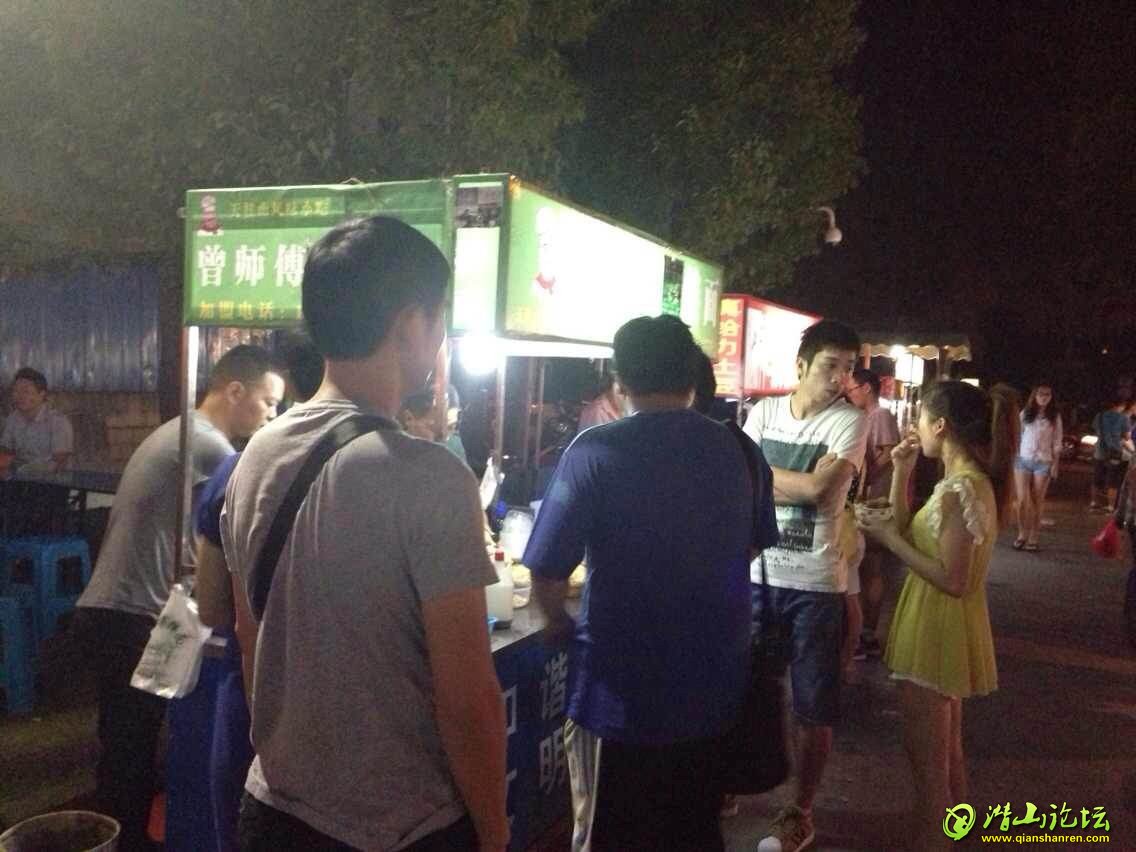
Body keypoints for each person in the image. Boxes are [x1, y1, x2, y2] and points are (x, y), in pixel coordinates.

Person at [220, 216, 508, 852]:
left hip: (273, 812)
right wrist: (494, 834)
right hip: (400, 827)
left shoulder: (256, 456)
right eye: (439, 319)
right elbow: (468, 699)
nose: (440, 338)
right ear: (410, 324)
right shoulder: (430, 476)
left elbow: (249, 635)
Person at [523, 314, 778, 852]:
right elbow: (751, 547)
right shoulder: (741, 452)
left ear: (620, 379)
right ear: (691, 375)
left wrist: (558, 623)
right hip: (715, 694)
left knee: (610, 836)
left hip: (618, 699)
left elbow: (547, 572)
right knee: (694, 832)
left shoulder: (594, 451)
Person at [73, 344, 284, 852]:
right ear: (235, 391)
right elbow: (238, 532)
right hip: (131, 612)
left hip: (116, 607)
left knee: (126, 748)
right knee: (131, 751)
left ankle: (119, 838)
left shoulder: (182, 430)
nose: (273, 416)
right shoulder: (210, 448)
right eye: (268, 402)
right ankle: (120, 842)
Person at [179, 335, 325, 852]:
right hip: (341, 719)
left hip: (251, 701)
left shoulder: (238, 469)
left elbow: (213, 607)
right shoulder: (395, 470)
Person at [858, 382, 1017, 852]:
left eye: (922, 420)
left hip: (934, 628)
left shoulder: (959, 490)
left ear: (941, 425)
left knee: (929, 771)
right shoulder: (965, 483)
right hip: (943, 625)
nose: (917, 429)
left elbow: (953, 579)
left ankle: (934, 842)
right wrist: (901, 472)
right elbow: (910, 532)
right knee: (947, 759)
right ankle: (954, 839)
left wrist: (888, 540)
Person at [742, 319, 867, 852]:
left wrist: (768, 478)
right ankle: (733, 781)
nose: (840, 377)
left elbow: (821, 492)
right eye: (830, 365)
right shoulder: (763, 413)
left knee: (813, 705)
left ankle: (801, 810)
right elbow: (741, 480)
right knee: (746, 687)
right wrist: (798, 481)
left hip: (816, 583)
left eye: (848, 368)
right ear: (801, 366)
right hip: (756, 574)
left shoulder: (851, 422)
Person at [845, 367, 901, 659]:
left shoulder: (880, 415)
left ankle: (867, 634)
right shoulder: (867, 416)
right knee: (866, 567)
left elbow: (889, 452)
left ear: (867, 388)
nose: (849, 394)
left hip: (875, 502)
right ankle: (862, 633)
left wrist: (865, 478)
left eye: (852, 389)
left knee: (872, 566)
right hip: (869, 501)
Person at [1013, 383, 1063, 551]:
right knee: (1021, 500)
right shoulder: (1025, 413)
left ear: (1051, 397)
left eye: (1047, 394)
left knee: (1037, 500)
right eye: (1041, 394)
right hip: (1023, 459)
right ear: (1034, 396)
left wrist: (1055, 464)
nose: (1044, 397)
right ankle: (1021, 534)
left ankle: (1034, 536)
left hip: (1043, 461)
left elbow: (1057, 442)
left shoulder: (1054, 417)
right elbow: (1017, 435)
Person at [0, 366, 74, 472]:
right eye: (16, 391)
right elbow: (5, 450)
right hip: (19, 475)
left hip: (50, 478)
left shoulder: (58, 422)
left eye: (26, 391)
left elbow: (60, 462)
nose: (19, 396)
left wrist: (29, 469)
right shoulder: (13, 418)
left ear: (41, 394)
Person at [1090, 396, 1129, 511]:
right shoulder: (1123, 418)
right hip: (1115, 452)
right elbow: (1126, 436)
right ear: (1121, 406)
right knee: (1113, 480)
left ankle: (1094, 503)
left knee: (1097, 478)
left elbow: (1095, 430)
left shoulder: (1099, 416)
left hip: (1099, 451)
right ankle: (1110, 506)